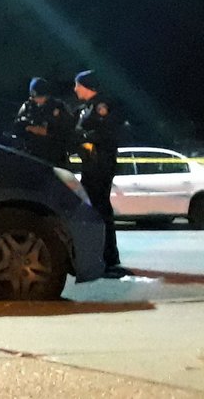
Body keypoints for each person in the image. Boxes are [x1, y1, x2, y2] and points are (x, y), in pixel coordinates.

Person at [72, 69, 125, 276]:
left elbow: (107, 133)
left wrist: (84, 137)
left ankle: (108, 259)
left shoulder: (102, 106)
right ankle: (97, 257)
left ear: (87, 87)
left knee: (100, 212)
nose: (75, 89)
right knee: (92, 211)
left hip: (100, 166)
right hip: (90, 166)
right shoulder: (86, 108)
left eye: (78, 85)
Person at [11, 77, 72, 167]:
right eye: (35, 97)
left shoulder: (58, 106)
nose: (38, 99)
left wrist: (47, 131)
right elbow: (17, 126)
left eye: (40, 96)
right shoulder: (28, 107)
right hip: (32, 152)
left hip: (53, 154)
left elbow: (66, 129)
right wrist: (30, 128)